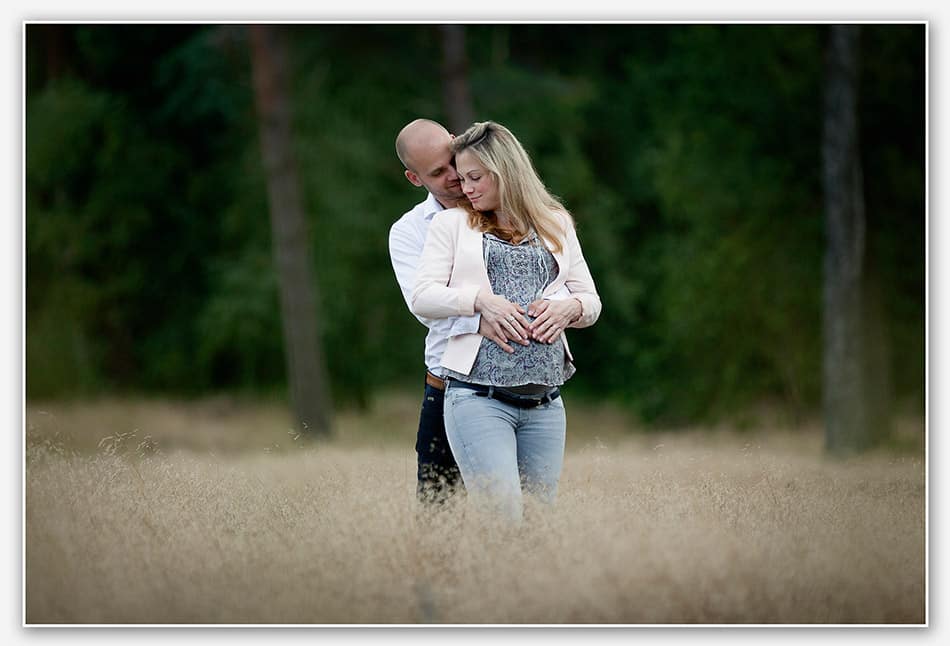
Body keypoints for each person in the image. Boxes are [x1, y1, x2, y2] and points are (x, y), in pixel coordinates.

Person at [411, 121, 601, 521]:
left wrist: (571, 309)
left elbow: (591, 301)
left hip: (546, 402)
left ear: (506, 171)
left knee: (536, 526)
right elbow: (422, 297)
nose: (466, 188)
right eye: (462, 179)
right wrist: (479, 301)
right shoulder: (451, 225)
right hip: (479, 398)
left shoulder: (556, 221)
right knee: (503, 519)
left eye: (475, 177)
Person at [390, 119, 536, 506]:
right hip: (447, 384)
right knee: (441, 512)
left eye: (452, 161)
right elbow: (424, 307)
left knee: (523, 511)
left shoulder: (512, 209)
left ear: (456, 142)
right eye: (438, 173)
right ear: (414, 178)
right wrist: (483, 312)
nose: (456, 177)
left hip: (521, 381)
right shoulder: (408, 232)